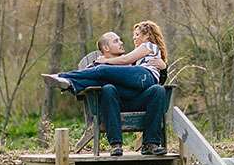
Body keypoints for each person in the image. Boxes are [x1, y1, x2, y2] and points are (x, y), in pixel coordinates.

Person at [43, 22, 169, 155]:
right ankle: (116, 145)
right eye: (116, 41)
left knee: (158, 90)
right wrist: (100, 65)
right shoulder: (99, 64)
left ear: (147, 35)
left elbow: (152, 78)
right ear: (106, 48)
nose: (123, 42)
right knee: (107, 87)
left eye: (137, 35)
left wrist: (164, 68)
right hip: (115, 103)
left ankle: (151, 144)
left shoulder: (133, 60)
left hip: (138, 99)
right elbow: (92, 75)